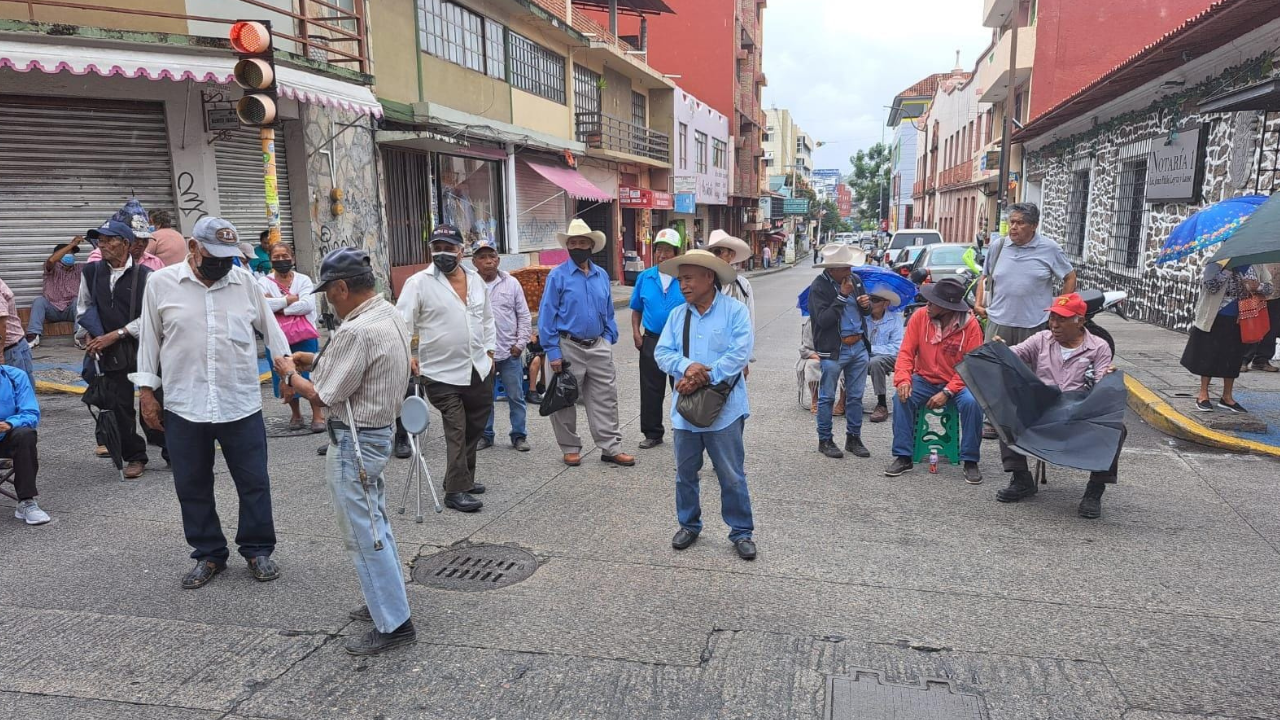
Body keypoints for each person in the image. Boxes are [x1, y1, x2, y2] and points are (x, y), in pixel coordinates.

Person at [131, 216, 289, 590]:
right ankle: (208, 553)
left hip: (240, 403)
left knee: (253, 481)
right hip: (185, 405)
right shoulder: (161, 283)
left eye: (228, 257)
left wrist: (286, 373)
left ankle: (257, 549)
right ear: (193, 248)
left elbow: (273, 331)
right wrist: (146, 394)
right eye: (214, 255)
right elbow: (149, 341)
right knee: (192, 484)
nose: (222, 264)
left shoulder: (244, 282)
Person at [274, 248, 417, 655]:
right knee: (376, 524)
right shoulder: (385, 313)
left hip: (355, 440)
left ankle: (394, 624)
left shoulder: (356, 330)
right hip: (376, 433)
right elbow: (360, 366)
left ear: (342, 287)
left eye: (329, 293)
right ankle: (386, 603)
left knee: (363, 533)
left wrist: (290, 371)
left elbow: (322, 394)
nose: (328, 300)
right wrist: (316, 358)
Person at [653, 250, 757, 561]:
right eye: (680, 279)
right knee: (685, 474)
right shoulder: (677, 316)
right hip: (686, 412)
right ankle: (689, 524)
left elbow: (740, 353)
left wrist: (703, 376)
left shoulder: (735, 311)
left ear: (708, 277)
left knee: (731, 474)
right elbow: (662, 353)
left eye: (688, 278)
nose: (682, 285)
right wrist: (686, 366)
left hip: (724, 410)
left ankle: (741, 531)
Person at [994, 293, 1122, 519]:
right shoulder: (1041, 339)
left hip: (1079, 410)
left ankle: (1094, 491)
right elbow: (1015, 354)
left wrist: (1108, 377)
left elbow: (1102, 384)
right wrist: (1001, 348)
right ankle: (1021, 478)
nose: (1054, 324)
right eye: (1053, 318)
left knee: (1116, 430)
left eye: (1062, 319)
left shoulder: (1099, 347)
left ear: (1080, 321)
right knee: (1004, 414)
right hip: (1043, 409)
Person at [397, 225, 494, 513]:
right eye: (437, 247)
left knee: (475, 427)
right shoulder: (418, 283)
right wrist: (407, 355)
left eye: (449, 248)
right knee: (456, 426)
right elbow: (402, 322)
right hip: (439, 372)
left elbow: (487, 319)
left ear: (461, 251)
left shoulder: (476, 280)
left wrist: (491, 352)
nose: (442, 253)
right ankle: (455, 491)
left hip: (478, 367)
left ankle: (462, 477)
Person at [538, 219, 635, 468]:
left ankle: (610, 447)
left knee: (606, 397)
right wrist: (552, 352)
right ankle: (570, 447)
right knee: (564, 398)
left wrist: (609, 335)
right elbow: (547, 315)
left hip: (598, 345)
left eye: (582, 242)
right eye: (573, 243)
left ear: (591, 246)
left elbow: (607, 310)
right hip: (567, 346)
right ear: (568, 246)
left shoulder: (601, 275)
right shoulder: (557, 276)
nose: (578, 246)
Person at [973, 203, 1076, 438]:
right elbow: (985, 276)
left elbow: (1069, 276)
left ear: (1034, 226)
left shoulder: (1049, 249)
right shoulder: (998, 246)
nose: (1014, 227)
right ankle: (993, 420)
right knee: (996, 370)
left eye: (1020, 223)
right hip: (999, 320)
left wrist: (1060, 309)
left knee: (1032, 373)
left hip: (1035, 322)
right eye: (1012, 222)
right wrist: (979, 303)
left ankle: (1027, 419)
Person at [884, 277, 985, 483]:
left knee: (973, 403)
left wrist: (948, 391)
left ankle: (970, 460)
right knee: (901, 398)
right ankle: (903, 455)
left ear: (947, 307)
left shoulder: (971, 326)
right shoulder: (920, 317)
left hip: (960, 382)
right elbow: (905, 353)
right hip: (925, 378)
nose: (927, 305)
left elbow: (972, 366)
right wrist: (903, 379)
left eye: (932, 303)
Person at [79, 218, 154, 479]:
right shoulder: (90, 272)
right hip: (108, 351)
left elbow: (153, 317)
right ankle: (134, 456)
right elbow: (84, 307)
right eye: (100, 240)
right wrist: (86, 336)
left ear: (125, 243)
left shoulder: (147, 276)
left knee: (154, 401)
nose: (104, 245)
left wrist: (119, 333)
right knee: (120, 405)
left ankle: (171, 451)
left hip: (144, 346)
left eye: (110, 239)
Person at [808, 244, 873, 459]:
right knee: (827, 397)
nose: (849, 271)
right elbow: (823, 320)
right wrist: (842, 296)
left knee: (855, 396)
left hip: (858, 346)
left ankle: (853, 438)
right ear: (832, 269)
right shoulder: (819, 287)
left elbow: (866, 313)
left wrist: (866, 305)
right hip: (834, 348)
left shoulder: (855, 281)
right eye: (845, 268)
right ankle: (825, 439)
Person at [1181, 263, 1273, 413]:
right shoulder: (1217, 263)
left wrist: (1258, 286)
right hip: (1215, 317)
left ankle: (1227, 397)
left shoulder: (1256, 265)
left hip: (1242, 319)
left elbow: (1270, 288)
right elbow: (1210, 286)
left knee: (1233, 357)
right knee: (1209, 355)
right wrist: (1226, 272)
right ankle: (1203, 394)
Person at [474, 239, 533, 453]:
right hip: (481, 355)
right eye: (482, 257)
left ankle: (519, 435)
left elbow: (524, 316)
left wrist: (520, 343)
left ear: (498, 259)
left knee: (515, 396)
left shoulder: (511, 283)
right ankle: (486, 435)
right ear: (474, 262)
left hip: (510, 352)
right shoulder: (469, 285)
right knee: (484, 398)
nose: (488, 261)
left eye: (492, 256)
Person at [629, 228, 685, 449]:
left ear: (677, 253)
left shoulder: (684, 276)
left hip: (680, 342)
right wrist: (636, 332)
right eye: (659, 250)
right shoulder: (645, 277)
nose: (662, 255)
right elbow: (636, 309)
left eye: (668, 250)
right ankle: (652, 432)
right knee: (651, 388)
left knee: (682, 386)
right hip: (651, 339)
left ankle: (684, 429)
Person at [259, 243, 323, 432]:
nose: (281, 260)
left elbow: (307, 305)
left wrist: (278, 307)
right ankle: (296, 414)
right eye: (276, 257)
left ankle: (317, 414)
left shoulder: (303, 280)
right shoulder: (263, 282)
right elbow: (262, 306)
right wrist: (288, 300)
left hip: (305, 335)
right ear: (270, 260)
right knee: (283, 373)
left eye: (284, 256)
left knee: (312, 373)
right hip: (277, 337)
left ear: (292, 258)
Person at [1, 363, 47, 525]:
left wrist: (9, 423)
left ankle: (26, 501)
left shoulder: (15, 376)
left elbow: (31, 413)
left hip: (4, 436)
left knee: (25, 434)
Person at [25, 239, 83, 348]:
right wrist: (71, 244)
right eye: (67, 253)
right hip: (51, 309)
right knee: (39, 301)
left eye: (72, 254)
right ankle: (33, 336)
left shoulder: (79, 268)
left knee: (78, 301)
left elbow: (98, 264)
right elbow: (51, 260)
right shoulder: (51, 268)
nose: (70, 256)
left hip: (70, 309)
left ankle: (79, 337)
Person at [706, 230, 757, 343]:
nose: (714, 257)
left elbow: (749, 322)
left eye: (718, 252)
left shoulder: (743, 286)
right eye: (712, 252)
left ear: (731, 255)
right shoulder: (703, 284)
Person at [866, 289, 905, 423]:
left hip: (890, 357)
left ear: (886, 303)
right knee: (849, 359)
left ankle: (881, 404)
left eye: (875, 300)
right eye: (869, 299)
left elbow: (897, 347)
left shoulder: (895, 319)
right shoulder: (863, 317)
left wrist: (871, 349)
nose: (870, 303)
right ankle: (848, 400)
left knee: (876, 362)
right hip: (865, 356)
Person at [797, 319, 844, 416]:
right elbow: (805, 348)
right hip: (817, 354)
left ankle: (842, 402)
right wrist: (816, 356)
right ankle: (815, 399)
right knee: (811, 365)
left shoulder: (842, 320)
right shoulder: (811, 322)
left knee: (847, 366)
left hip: (840, 354)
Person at [1241, 262, 1280, 373]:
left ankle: (1261, 360)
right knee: (1252, 327)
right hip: (1256, 295)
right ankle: (1243, 359)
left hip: (1275, 294)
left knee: (1271, 329)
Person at [0, 276, 35, 386]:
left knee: (19, 395)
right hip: (13, 348)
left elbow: (1, 323)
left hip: (10, 351)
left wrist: (0, 354)